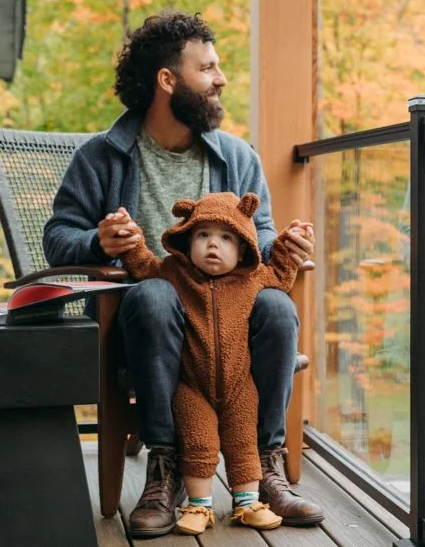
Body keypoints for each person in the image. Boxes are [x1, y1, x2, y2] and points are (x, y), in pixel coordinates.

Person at [43, 10, 324, 538]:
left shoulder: (236, 156)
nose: (221, 79)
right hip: (148, 327)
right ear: (168, 80)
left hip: (233, 322)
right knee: (151, 295)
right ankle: (164, 467)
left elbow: (258, 235)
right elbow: (58, 237)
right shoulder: (101, 156)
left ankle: (265, 467)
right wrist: (96, 241)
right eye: (209, 68)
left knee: (279, 308)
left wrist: (281, 244)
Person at [121, 192, 302, 535]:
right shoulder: (175, 273)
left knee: (243, 443)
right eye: (203, 235)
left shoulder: (253, 277)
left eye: (226, 237)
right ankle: (197, 505)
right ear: (187, 241)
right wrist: (131, 243)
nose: (213, 245)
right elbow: (145, 265)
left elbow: (280, 273)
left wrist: (289, 246)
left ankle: (250, 499)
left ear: (244, 247)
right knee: (200, 443)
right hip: (191, 385)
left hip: (239, 385)